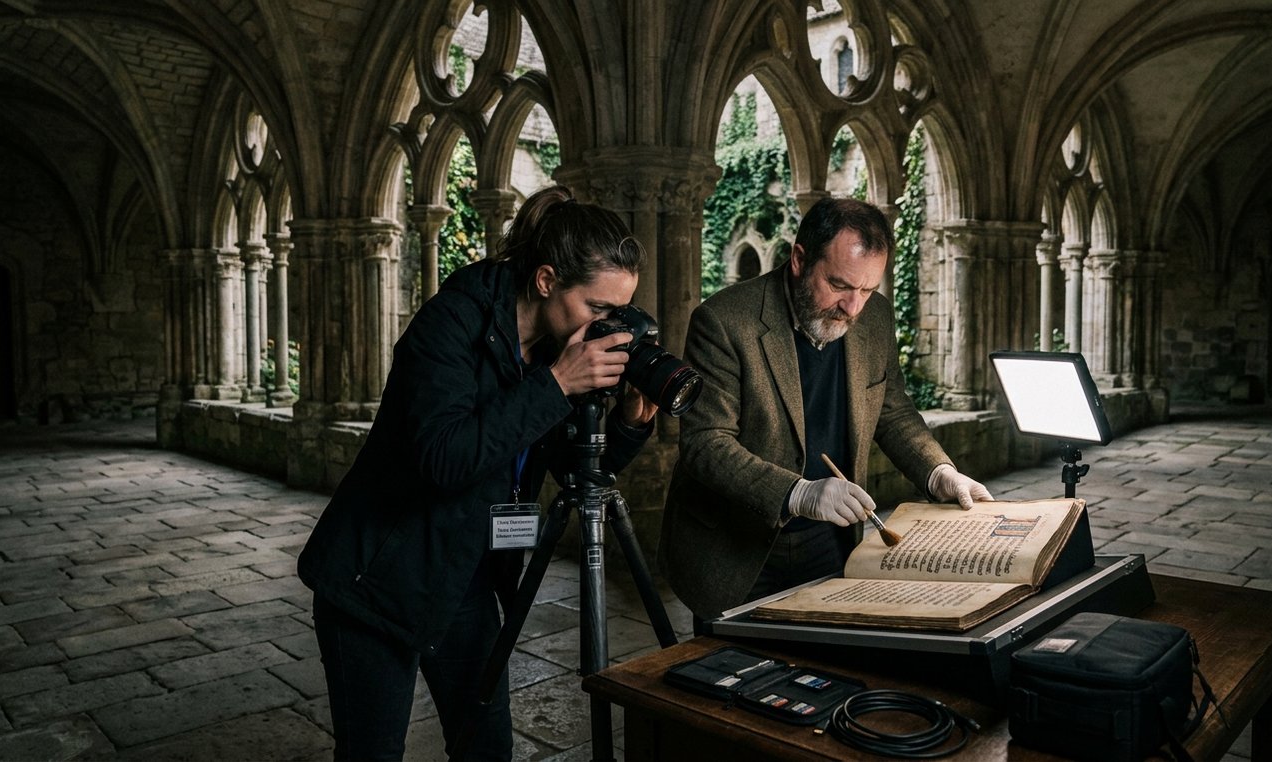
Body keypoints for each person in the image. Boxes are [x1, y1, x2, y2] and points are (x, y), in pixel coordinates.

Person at [297, 185, 657, 761]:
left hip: (466, 580)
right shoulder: (452, 322)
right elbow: (444, 458)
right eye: (598, 309)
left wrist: (631, 425)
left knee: (487, 750)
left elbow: (569, 470)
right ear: (545, 281)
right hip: (378, 581)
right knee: (373, 754)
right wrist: (559, 384)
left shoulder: (549, 350)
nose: (608, 325)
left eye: (619, 310)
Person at [658, 196, 993, 622]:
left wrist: (939, 473)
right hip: (736, 547)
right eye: (839, 285)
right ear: (799, 259)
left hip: (831, 541)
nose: (853, 307)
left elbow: (892, 410)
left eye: (867, 289)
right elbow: (705, 444)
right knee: (730, 676)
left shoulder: (874, 317)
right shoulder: (723, 321)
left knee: (822, 672)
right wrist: (798, 492)